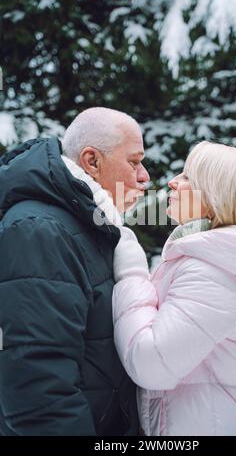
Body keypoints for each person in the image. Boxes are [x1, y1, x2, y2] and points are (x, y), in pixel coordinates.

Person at [112, 140, 236, 436]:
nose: (172, 182)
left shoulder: (214, 274)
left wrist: (131, 275)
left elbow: (152, 363)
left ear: (212, 196)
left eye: (186, 177)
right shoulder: (215, 259)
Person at [0, 107, 149, 435]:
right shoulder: (39, 230)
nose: (144, 176)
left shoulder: (91, 224)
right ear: (92, 161)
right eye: (134, 162)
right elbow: (37, 385)